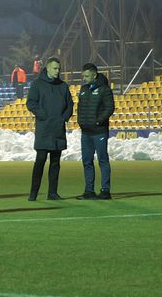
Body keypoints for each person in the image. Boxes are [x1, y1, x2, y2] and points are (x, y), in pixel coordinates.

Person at [26, 57, 73, 201]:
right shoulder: (37, 84)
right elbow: (31, 103)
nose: (57, 71)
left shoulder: (63, 86)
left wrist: (63, 118)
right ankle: (33, 193)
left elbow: (70, 105)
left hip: (58, 129)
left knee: (55, 163)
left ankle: (52, 193)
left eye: (59, 68)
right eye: (55, 68)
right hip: (44, 129)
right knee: (40, 161)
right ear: (47, 68)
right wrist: (43, 115)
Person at [75, 63, 114, 200]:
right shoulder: (84, 89)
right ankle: (89, 191)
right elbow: (80, 108)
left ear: (94, 74)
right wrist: (81, 121)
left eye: (86, 76)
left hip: (99, 132)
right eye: (83, 76)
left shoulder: (104, 90)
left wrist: (98, 121)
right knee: (87, 161)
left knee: (102, 160)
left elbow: (110, 108)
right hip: (85, 132)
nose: (84, 78)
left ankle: (105, 190)